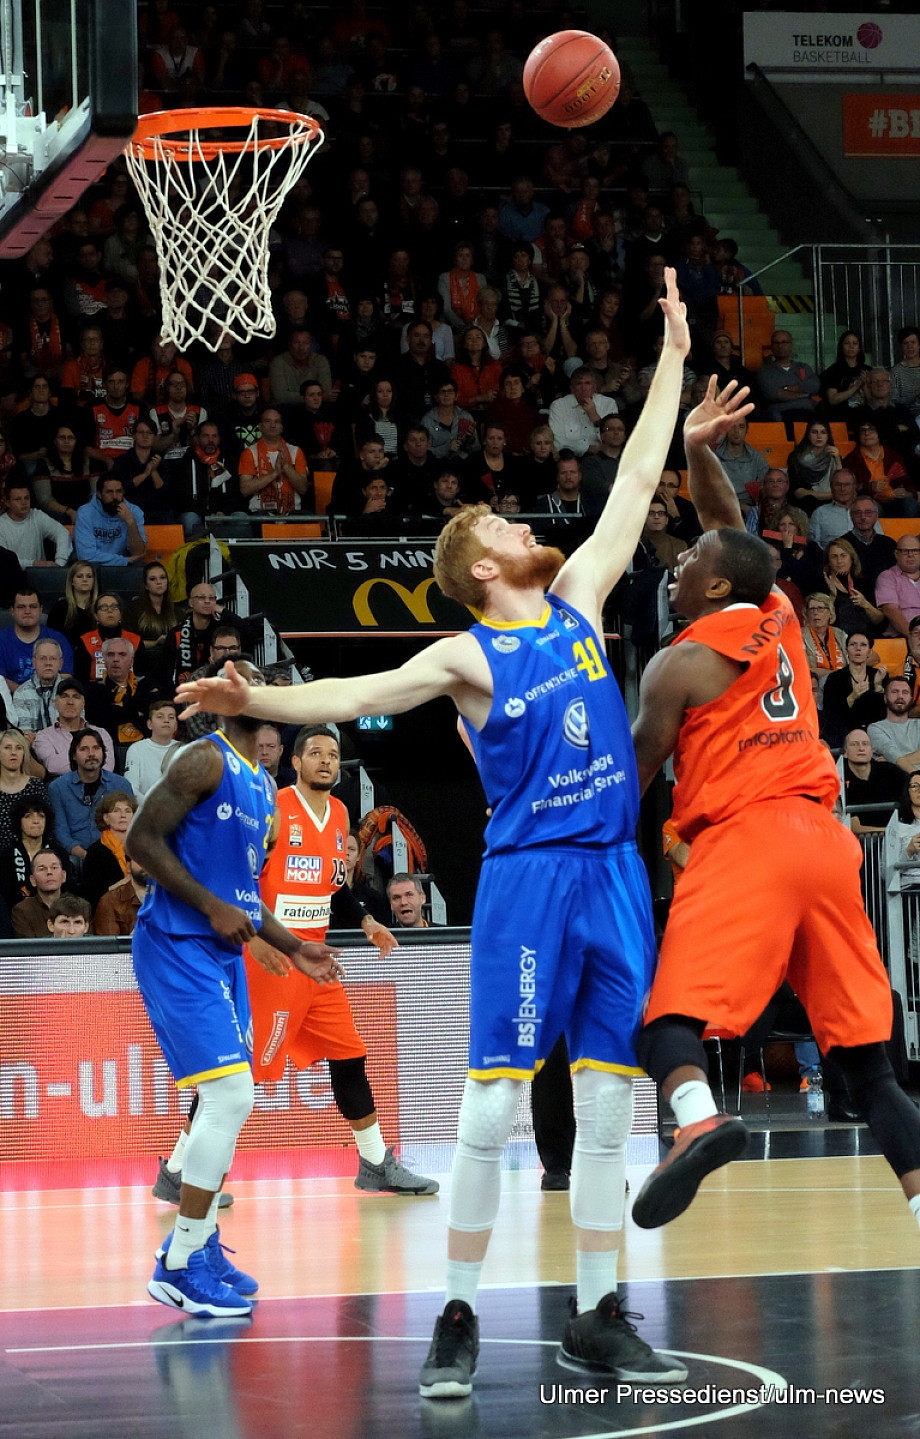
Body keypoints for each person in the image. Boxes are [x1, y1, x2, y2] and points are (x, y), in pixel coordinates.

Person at [176, 269, 697, 1395]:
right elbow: (354, 689)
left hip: (613, 873)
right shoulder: (468, 652)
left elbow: (634, 478)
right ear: (482, 567)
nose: (529, 524)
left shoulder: (581, 599)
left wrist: (670, 356)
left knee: (609, 1103)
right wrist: (257, 698)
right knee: (493, 1100)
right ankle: (456, 1311)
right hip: (528, 879)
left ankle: (599, 1310)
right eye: (508, 525)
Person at [627, 376, 920, 1239]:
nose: (678, 563)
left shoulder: (677, 664)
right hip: (824, 840)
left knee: (668, 1022)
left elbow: (632, 777)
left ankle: (698, 1121)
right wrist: (697, 450)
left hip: (746, 836)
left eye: (689, 561)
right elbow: (731, 530)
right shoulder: (780, 611)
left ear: (717, 588)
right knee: (868, 1066)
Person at [127, 659, 343, 1316]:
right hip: (176, 940)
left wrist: (293, 945)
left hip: (220, 951)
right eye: (245, 677)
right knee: (230, 1095)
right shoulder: (204, 759)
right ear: (225, 697)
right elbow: (141, 840)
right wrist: (211, 907)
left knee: (230, 1099)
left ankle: (199, 1241)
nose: (260, 688)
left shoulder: (262, 785)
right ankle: (180, 1261)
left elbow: (243, 895)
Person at [243, 724, 438, 1194]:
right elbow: (239, 879)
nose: (326, 761)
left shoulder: (339, 813)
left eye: (333, 754)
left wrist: (367, 921)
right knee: (243, 1073)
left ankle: (375, 1162)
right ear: (295, 761)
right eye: (316, 753)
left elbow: (334, 888)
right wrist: (255, 938)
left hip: (316, 962)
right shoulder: (272, 807)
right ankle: (183, 1169)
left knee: (350, 1054)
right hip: (274, 959)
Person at [48, 729, 133, 862]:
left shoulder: (121, 784)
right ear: (74, 755)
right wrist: (87, 856)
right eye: (84, 749)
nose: (91, 754)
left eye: (96, 748)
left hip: (115, 853)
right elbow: (61, 831)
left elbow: (131, 826)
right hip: (75, 855)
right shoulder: (58, 787)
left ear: (103, 753)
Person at [32, 675, 115, 777]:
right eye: (64, 696)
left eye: (76, 697)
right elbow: (53, 766)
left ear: (83, 703)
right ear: (55, 703)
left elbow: (108, 767)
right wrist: (91, 763)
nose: (70, 702)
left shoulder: (101, 733)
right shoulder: (44, 736)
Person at [0, 794, 68, 910]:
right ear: (18, 822)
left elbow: (68, 891)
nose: (36, 821)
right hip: (17, 914)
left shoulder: (60, 853)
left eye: (41, 816)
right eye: (28, 816)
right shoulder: (6, 857)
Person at [0, 588, 73, 690]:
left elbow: (66, 676)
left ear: (40, 610)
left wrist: (42, 694)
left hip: (52, 696)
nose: (27, 611)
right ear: (12, 611)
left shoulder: (58, 639)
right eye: (21, 607)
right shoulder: (2, 639)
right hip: (11, 697)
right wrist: (25, 694)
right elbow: (1, 680)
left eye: (33, 606)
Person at [80, 790, 138, 909]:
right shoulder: (95, 852)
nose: (123, 815)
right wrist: (124, 883)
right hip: (108, 909)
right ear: (106, 818)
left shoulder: (142, 849)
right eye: (116, 811)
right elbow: (91, 895)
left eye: (128, 811)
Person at [73, 473, 146, 566]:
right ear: (99, 494)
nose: (115, 496)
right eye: (109, 492)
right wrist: (123, 561)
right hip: (95, 566)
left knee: (140, 566)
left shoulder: (134, 511)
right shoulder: (85, 512)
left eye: (119, 491)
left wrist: (131, 523)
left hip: (124, 567)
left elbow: (139, 553)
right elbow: (86, 556)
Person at [821, 632, 887, 732]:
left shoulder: (880, 675)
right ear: (846, 650)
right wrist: (852, 697)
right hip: (844, 731)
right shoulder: (834, 678)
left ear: (869, 652)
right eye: (853, 644)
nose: (858, 648)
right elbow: (830, 715)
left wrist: (878, 686)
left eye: (863, 645)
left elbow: (884, 714)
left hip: (875, 731)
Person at [548, 368, 618, 458]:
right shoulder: (558, 406)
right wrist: (587, 448)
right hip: (571, 457)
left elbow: (613, 438)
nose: (583, 388)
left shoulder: (609, 403)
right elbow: (558, 442)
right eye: (579, 384)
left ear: (594, 387)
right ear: (572, 388)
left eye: (587, 383)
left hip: (602, 456)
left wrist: (595, 418)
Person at [0, 479, 71, 567]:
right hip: (12, 573)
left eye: (26, 498)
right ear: (7, 503)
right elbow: (4, 560)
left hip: (39, 573)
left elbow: (62, 532)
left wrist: (60, 562)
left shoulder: (37, 515)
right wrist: (34, 563)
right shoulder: (1, 525)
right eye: (18, 499)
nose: (24, 502)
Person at [756, 330, 820, 422]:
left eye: (784, 342)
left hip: (807, 413)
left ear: (791, 345)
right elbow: (774, 395)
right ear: (772, 346)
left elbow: (814, 385)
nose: (780, 346)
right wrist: (806, 395)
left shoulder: (803, 367)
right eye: (776, 343)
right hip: (780, 415)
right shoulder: (765, 371)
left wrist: (785, 389)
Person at [0, 729, 47, 850]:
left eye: (19, 748)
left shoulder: (36, 786)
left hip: (32, 853)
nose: (13, 752)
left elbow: (48, 825)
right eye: (7, 748)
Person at [124, 698, 180, 797]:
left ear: (176, 726)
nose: (166, 720)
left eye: (171, 717)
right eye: (160, 717)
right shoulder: (136, 749)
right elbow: (131, 788)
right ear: (150, 724)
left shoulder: (185, 749)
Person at [11, 848, 72, 936]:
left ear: (63, 876)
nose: (49, 872)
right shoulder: (22, 910)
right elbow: (27, 944)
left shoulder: (78, 907)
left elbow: (88, 941)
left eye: (54, 867)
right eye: (42, 869)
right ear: (33, 880)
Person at [868, 676, 920, 770]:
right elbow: (890, 752)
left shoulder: (918, 724)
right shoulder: (875, 728)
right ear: (885, 698)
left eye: (905, 692)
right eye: (894, 692)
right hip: (894, 778)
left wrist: (890, 761)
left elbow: (892, 758)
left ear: (911, 699)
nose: (900, 696)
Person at [876, 535, 920, 637]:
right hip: (902, 636)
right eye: (905, 551)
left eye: (915, 551)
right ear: (896, 554)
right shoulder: (887, 577)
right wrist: (914, 636)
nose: (910, 555)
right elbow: (890, 610)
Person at [47, 561, 99, 647]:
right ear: (72, 581)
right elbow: (52, 638)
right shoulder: (60, 608)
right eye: (79, 576)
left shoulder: (100, 607)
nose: (85, 579)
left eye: (89, 576)